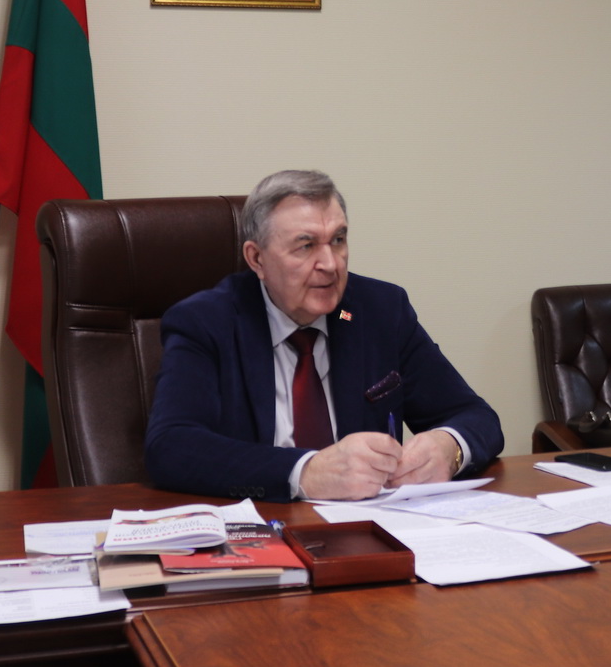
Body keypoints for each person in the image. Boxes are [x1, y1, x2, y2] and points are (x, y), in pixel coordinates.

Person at [145, 170, 503, 502]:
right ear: (256, 259)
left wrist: (449, 448)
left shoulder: (380, 310)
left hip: (371, 522)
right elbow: (171, 446)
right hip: (263, 524)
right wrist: (305, 472)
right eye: (306, 246)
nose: (331, 264)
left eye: (338, 240)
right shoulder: (206, 322)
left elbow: (475, 416)